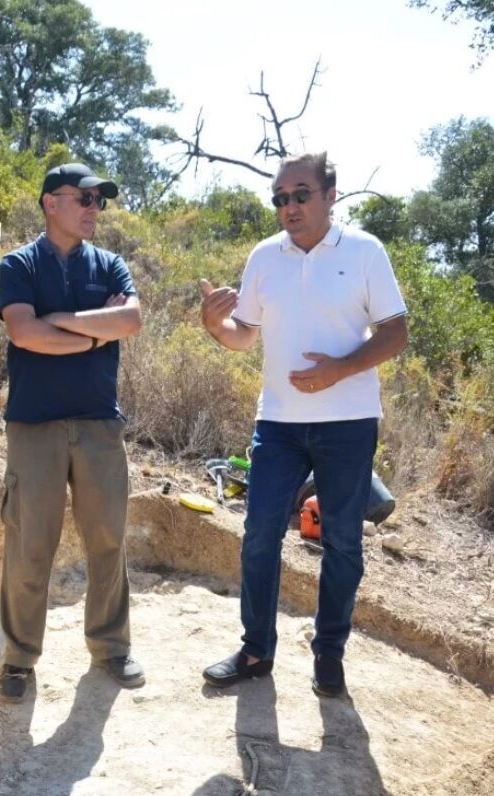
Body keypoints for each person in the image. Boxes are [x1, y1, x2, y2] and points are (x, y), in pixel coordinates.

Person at [198, 151, 408, 698]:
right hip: (280, 424)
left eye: (299, 195)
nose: (287, 207)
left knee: (341, 543)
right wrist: (214, 325)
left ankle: (329, 655)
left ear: (330, 195)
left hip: (348, 423)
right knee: (259, 533)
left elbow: (395, 332)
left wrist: (340, 370)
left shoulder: (364, 251)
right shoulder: (265, 258)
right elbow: (245, 334)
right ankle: (255, 650)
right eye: (280, 199)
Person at [0, 163, 145, 702]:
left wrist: (61, 320)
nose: (92, 209)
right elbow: (23, 331)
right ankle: (17, 659)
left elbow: (128, 320)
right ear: (49, 203)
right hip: (33, 424)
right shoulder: (17, 264)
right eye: (82, 198)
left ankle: (111, 648)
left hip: (100, 423)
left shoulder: (111, 266)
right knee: (30, 542)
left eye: (98, 201)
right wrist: (91, 335)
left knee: (108, 539)